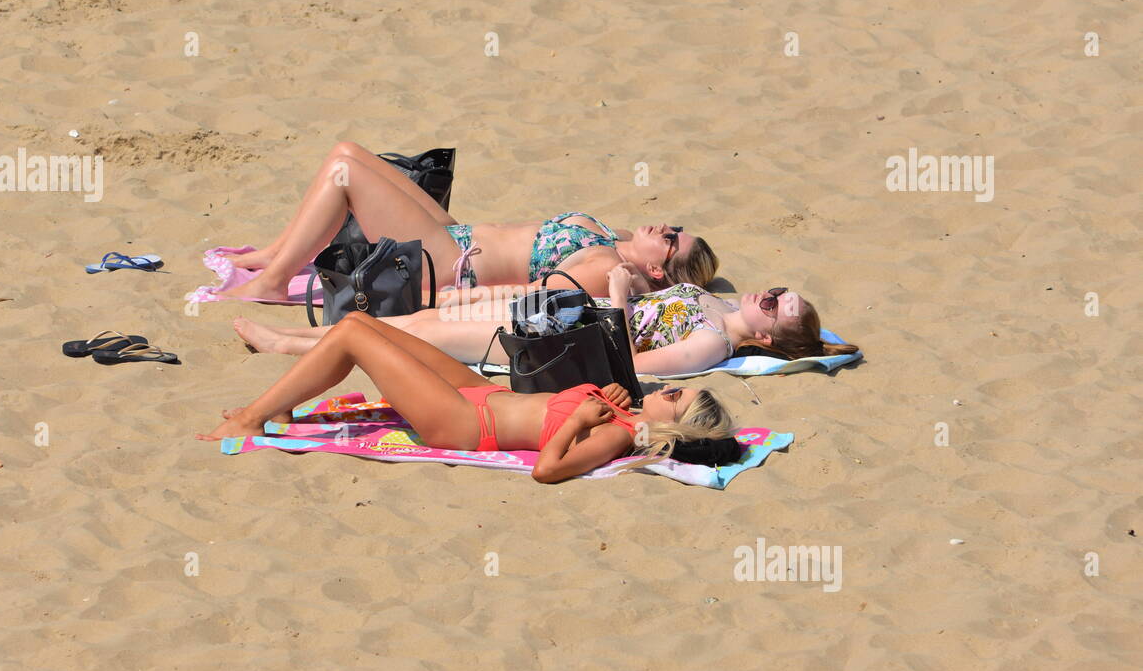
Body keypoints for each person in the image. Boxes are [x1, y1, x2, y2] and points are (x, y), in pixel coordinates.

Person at [197, 312, 737, 483]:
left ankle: (249, 418)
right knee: (362, 322)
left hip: (462, 423)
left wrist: (579, 424)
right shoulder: (623, 408)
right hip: (480, 393)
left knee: (351, 338)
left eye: (678, 397)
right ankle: (282, 404)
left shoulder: (619, 434)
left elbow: (548, 471)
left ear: (676, 427)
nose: (670, 389)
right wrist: (607, 397)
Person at [213, 141, 717, 301]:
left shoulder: (609, 269)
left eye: (671, 241)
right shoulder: (619, 239)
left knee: (346, 175)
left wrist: (454, 300)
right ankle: (271, 257)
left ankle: (274, 283)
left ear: (658, 272)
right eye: (672, 225)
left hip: (450, 265)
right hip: (456, 233)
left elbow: (526, 297)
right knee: (346, 152)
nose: (664, 229)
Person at [230, 265, 859, 376]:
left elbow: (628, 365)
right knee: (421, 315)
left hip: (553, 340)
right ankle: (297, 338)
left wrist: (616, 299)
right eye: (778, 288)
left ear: (770, 336)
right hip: (559, 310)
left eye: (778, 306)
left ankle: (289, 347)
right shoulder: (717, 303)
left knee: (413, 335)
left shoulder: (711, 343)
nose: (770, 295)